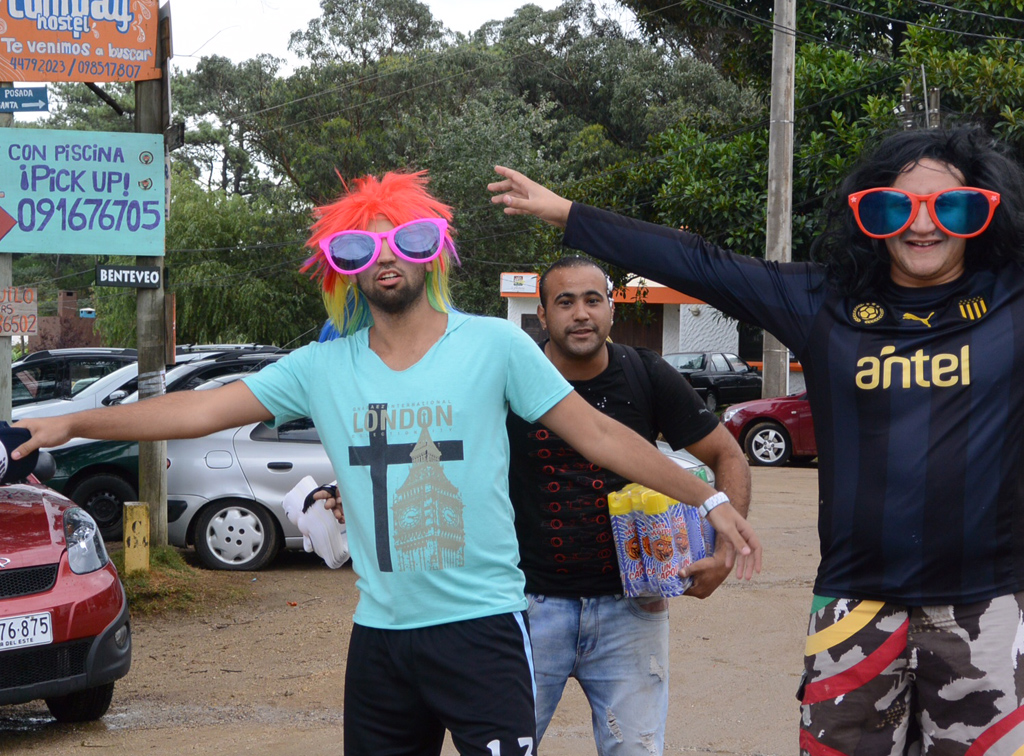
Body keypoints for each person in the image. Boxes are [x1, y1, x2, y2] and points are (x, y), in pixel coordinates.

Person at [13, 171, 761, 756]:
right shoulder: (320, 367)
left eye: (405, 240)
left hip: (484, 628)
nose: (385, 259)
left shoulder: (494, 348)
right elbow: (194, 408)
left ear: (433, 248)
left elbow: (599, 437)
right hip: (380, 635)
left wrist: (709, 501)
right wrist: (73, 420)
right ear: (341, 266)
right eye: (358, 248)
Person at [489, 127, 1024, 756]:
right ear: (869, 215)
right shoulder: (825, 300)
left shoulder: (1011, 297)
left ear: (986, 213)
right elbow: (700, 262)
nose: (923, 225)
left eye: (952, 206)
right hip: (855, 606)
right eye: (895, 206)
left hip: (985, 608)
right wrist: (568, 214)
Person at [506, 254, 751, 755]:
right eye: (565, 301)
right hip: (526, 606)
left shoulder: (644, 373)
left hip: (632, 608)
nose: (580, 313)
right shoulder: (511, 378)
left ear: (611, 310)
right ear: (543, 314)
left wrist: (726, 544)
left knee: (635, 750)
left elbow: (727, 453)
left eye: (593, 300)